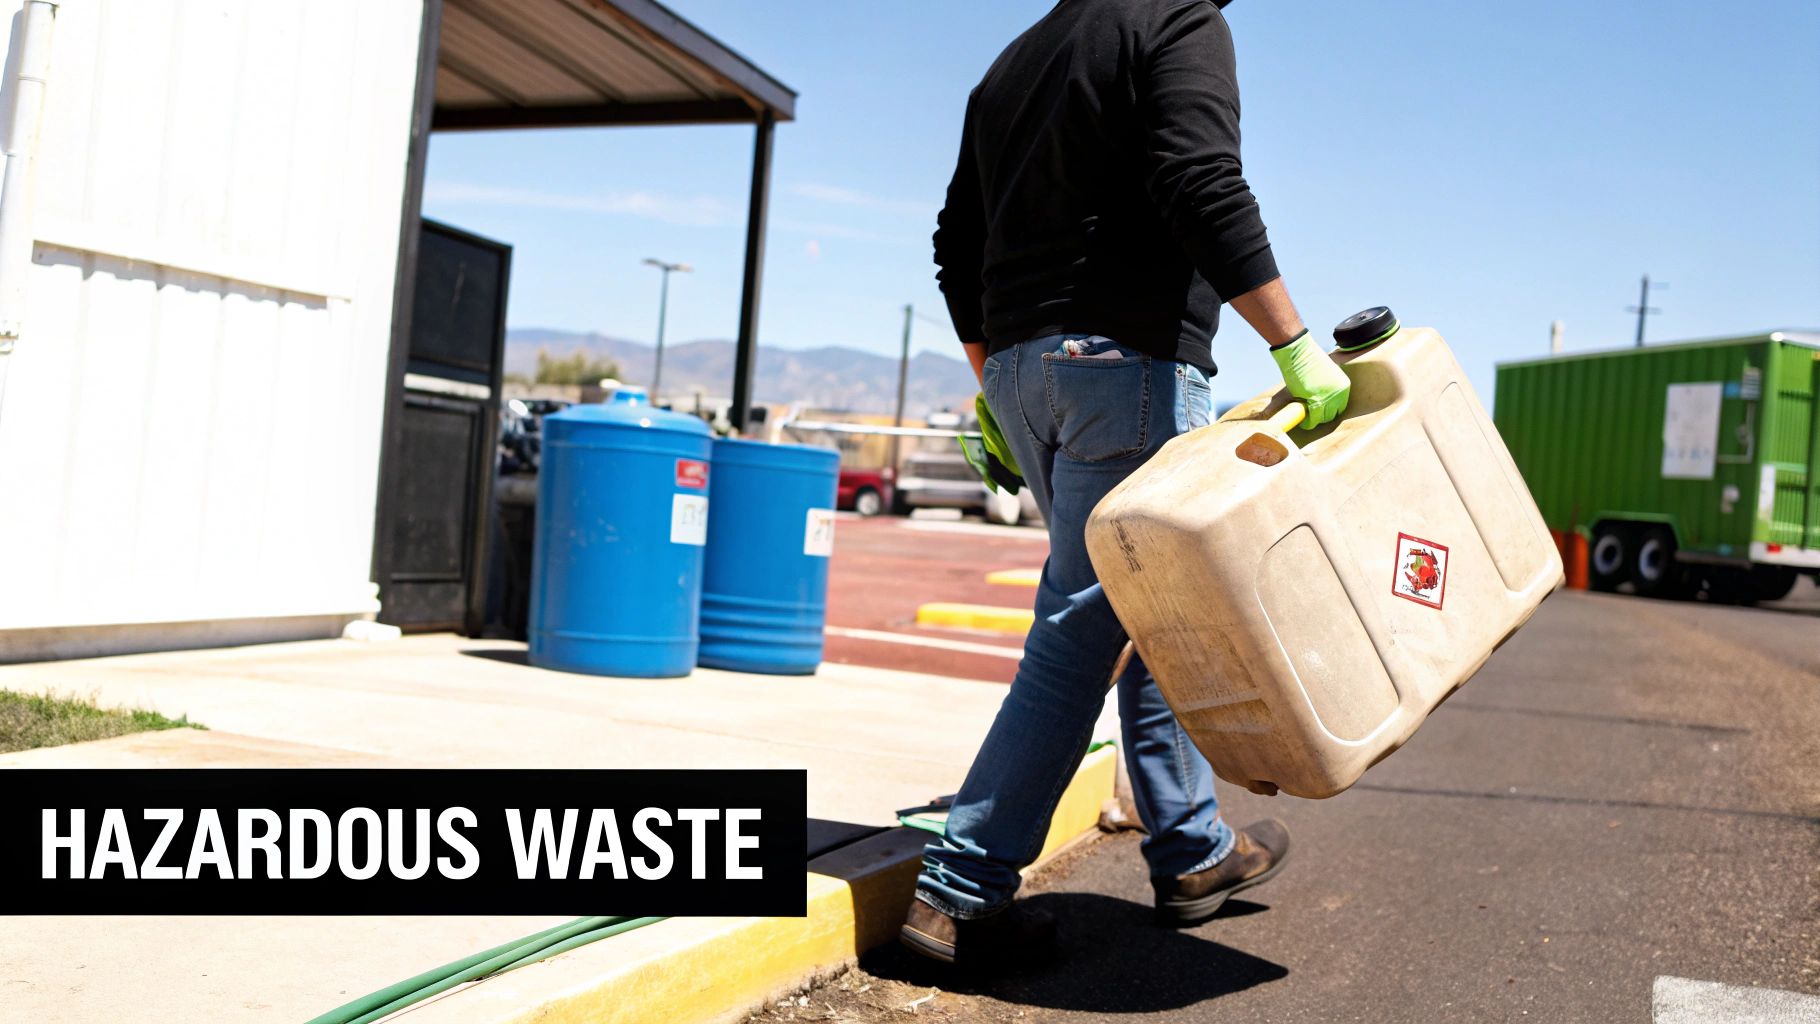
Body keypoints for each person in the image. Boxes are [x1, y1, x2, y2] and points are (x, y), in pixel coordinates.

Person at [900, 0, 1352, 968]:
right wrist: (1292, 342)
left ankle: (1191, 849)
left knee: (1148, 606)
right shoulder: (1177, 21)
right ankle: (958, 891)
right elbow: (1197, 178)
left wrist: (991, 378)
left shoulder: (1017, 58)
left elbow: (953, 238)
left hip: (1024, 370)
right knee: (1081, 629)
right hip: (1124, 365)